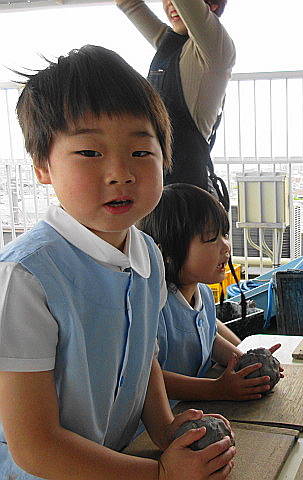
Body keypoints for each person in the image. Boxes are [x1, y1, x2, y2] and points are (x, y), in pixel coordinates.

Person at [0, 45, 235, 479]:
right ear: (42, 166)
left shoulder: (146, 254)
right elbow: (34, 446)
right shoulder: (26, 277)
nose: (120, 173)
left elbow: (144, 359)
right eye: (90, 153)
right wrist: (161, 474)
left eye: (141, 152)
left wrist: (165, 430)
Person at [138, 183, 283, 403]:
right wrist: (217, 389)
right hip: (165, 417)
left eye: (224, 234)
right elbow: (148, 379)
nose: (226, 246)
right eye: (211, 238)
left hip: (198, 405)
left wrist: (248, 364)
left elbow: (210, 339)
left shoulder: (204, 293)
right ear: (168, 251)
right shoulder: (154, 307)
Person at [117, 0, 234, 202]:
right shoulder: (171, 45)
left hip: (188, 197)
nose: (171, 4)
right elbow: (129, 4)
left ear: (212, 6)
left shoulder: (215, 49)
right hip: (158, 188)